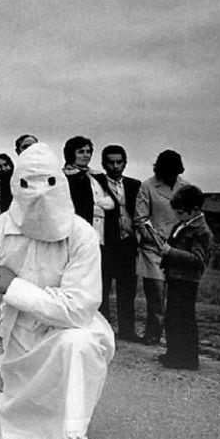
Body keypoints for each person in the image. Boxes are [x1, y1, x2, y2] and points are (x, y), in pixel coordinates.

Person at [0, 142, 115, 439]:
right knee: (5, 408)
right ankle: (16, 421)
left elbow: (78, 307)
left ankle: (73, 429)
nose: (39, 194)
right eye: (27, 185)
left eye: (47, 183)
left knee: (81, 343)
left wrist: (14, 288)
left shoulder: (80, 234)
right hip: (13, 337)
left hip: (62, 333)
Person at [134, 149, 190, 345]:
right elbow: (140, 219)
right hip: (153, 250)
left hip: (178, 250)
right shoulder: (147, 186)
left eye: (175, 172)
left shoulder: (186, 188)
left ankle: (176, 339)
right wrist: (159, 242)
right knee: (156, 297)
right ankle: (153, 334)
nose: (171, 177)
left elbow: (192, 218)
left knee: (177, 298)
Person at [157, 185, 212, 370]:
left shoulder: (202, 232)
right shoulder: (183, 225)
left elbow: (198, 260)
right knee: (172, 317)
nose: (178, 216)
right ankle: (173, 354)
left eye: (181, 212)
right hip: (175, 277)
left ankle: (188, 359)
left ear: (195, 209)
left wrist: (171, 252)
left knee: (185, 319)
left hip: (188, 280)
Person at [98, 145, 141, 342]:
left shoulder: (134, 185)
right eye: (111, 162)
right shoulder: (96, 183)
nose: (115, 166)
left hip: (128, 244)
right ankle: (104, 330)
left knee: (127, 290)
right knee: (103, 289)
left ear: (125, 163)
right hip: (106, 244)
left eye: (119, 162)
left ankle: (127, 331)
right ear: (104, 164)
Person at [62, 136, 115, 241]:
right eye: (81, 152)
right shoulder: (64, 177)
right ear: (71, 153)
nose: (86, 155)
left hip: (103, 231)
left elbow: (112, 202)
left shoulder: (99, 176)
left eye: (88, 151)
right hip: (78, 230)